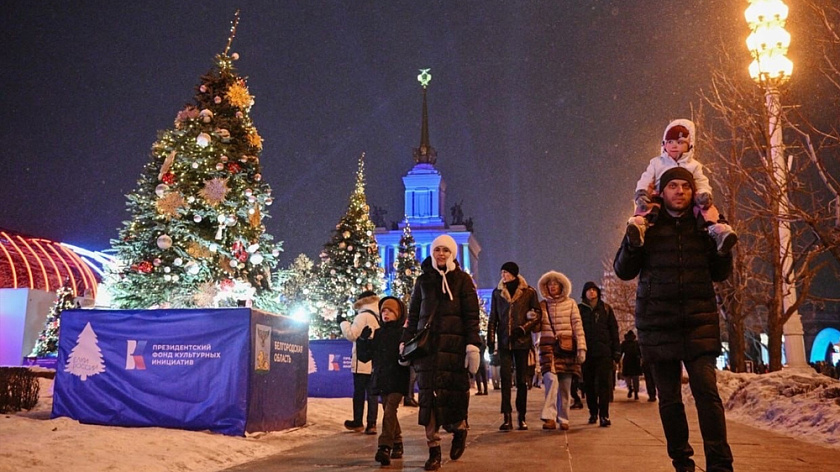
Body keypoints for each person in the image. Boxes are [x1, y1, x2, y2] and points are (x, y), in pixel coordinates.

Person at [614, 167, 735, 472]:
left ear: (694, 192)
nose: (679, 191)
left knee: (708, 395)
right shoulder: (647, 225)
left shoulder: (706, 225)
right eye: (673, 186)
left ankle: (720, 465)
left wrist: (723, 250)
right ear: (662, 191)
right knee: (669, 400)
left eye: (685, 186)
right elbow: (623, 271)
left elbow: (721, 274)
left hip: (699, 323)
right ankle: (682, 462)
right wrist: (633, 241)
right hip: (658, 324)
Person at [400, 234, 481, 471]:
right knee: (428, 400)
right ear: (433, 253)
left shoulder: (463, 281)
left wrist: (472, 345)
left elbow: (471, 317)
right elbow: (413, 315)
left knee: (454, 397)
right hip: (428, 350)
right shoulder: (423, 281)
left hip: (454, 350)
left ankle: (460, 429)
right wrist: (405, 342)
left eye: (446, 250)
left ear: (452, 253)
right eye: (437, 250)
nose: (441, 254)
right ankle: (433, 449)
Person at [627, 119, 737, 255]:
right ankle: (639, 225)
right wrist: (642, 192)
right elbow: (647, 178)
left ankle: (717, 229)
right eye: (670, 142)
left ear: (689, 146)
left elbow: (701, 181)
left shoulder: (694, 165)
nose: (674, 146)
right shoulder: (657, 163)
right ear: (664, 144)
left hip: (690, 200)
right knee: (647, 208)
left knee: (707, 210)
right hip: (659, 196)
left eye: (680, 142)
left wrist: (704, 194)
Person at [487, 261, 542, 431]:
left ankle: (522, 416)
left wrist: (523, 329)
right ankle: (507, 417)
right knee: (505, 379)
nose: (503, 275)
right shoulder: (497, 293)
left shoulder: (529, 292)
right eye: (502, 272)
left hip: (522, 342)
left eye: (506, 272)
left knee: (521, 380)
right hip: (504, 341)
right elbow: (493, 318)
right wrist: (490, 339)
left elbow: (537, 314)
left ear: (514, 274)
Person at [536, 270, 586, 431]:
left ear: (561, 286)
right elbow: (536, 327)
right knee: (551, 380)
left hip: (566, 348)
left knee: (565, 385)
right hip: (548, 347)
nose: (552, 287)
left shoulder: (571, 303)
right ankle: (549, 417)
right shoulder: (542, 305)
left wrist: (581, 348)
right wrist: (531, 317)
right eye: (549, 284)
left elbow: (578, 326)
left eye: (555, 284)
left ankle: (563, 418)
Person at [368, 296, 410, 466]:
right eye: (383, 311)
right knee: (388, 410)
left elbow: (408, 356)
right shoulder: (378, 333)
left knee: (390, 408)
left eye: (390, 311)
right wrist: (364, 341)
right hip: (383, 377)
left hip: (398, 377)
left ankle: (384, 446)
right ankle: (398, 442)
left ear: (398, 314)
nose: (386, 314)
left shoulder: (403, 333)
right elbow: (367, 356)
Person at [338, 291, 381, 434]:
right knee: (372, 394)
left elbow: (352, 335)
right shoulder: (379, 316)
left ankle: (358, 422)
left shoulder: (362, 316)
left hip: (362, 361)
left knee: (359, 393)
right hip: (375, 362)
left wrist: (343, 323)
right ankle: (372, 424)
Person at [578, 281, 620, 427]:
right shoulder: (579, 309)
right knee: (588, 385)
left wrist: (616, 351)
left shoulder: (606, 309)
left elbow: (614, 330)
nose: (591, 292)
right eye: (588, 290)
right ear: (584, 293)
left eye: (594, 290)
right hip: (586, 353)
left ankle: (604, 415)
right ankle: (593, 412)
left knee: (604, 385)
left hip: (604, 353)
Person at [620, 330, 643, 400]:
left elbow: (620, 352)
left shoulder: (624, 343)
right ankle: (636, 393)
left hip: (627, 362)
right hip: (635, 362)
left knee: (627, 378)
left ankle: (630, 387)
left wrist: (617, 359)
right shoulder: (637, 343)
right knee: (635, 379)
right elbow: (641, 352)